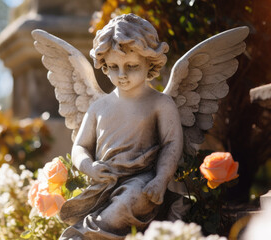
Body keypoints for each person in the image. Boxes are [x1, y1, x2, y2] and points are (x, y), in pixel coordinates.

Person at [58, 14, 184, 240]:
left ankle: (85, 234)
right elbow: (80, 147)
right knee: (112, 207)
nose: (122, 74)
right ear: (104, 65)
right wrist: (89, 167)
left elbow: (171, 144)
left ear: (150, 62)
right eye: (114, 66)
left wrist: (160, 179)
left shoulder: (160, 104)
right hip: (103, 183)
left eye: (132, 66)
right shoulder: (99, 107)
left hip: (142, 182)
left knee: (127, 204)